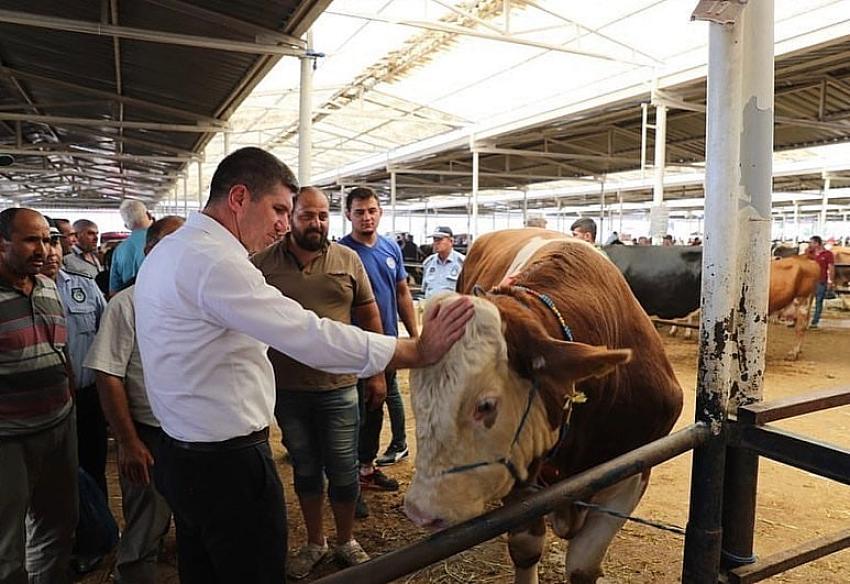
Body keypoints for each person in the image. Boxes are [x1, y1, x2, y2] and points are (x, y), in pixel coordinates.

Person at [133, 147, 472, 584]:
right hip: (227, 466)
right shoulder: (214, 261)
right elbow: (309, 335)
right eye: (277, 209)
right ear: (238, 198)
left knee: (203, 568)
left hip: (182, 452)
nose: (282, 224)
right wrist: (415, 351)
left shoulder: (173, 249)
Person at [253, 187, 381, 578]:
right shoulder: (261, 264)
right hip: (288, 389)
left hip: (340, 387)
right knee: (306, 469)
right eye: (308, 216)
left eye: (323, 216)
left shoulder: (347, 259)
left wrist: (376, 370)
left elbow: (369, 315)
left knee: (344, 469)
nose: (317, 223)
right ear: (290, 217)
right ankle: (315, 541)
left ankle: (345, 540)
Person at [84, 216, 183, 584]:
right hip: (149, 434)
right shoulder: (127, 304)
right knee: (145, 525)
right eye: (172, 246)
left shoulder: (201, 298)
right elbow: (107, 374)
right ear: (150, 252)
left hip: (193, 435)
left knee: (195, 522)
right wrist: (128, 442)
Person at [0, 208, 78, 584]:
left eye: (47, 240)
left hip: (60, 425)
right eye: (31, 240)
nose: (44, 250)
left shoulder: (47, 287)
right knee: (7, 540)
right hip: (9, 437)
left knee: (58, 523)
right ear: (2, 243)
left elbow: (60, 353)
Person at [339, 186, 420, 517]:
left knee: (375, 409)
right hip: (352, 348)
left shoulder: (390, 248)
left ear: (380, 212)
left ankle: (366, 469)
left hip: (385, 345)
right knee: (349, 415)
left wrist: (415, 335)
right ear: (348, 215)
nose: (366, 217)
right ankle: (347, 483)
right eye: (359, 212)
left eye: (371, 210)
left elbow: (402, 292)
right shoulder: (341, 252)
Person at [41, 221, 109, 497]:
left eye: (54, 241)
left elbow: (106, 339)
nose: (49, 252)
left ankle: (98, 537)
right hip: (38, 404)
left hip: (86, 398)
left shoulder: (84, 286)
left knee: (93, 468)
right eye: (38, 242)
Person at [110, 200, 153, 296]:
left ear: (126, 225)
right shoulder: (160, 241)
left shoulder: (119, 250)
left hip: (128, 303)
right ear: (149, 215)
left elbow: (113, 291)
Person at [421, 226, 465, 299]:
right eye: (435, 239)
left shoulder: (462, 262)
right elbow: (425, 288)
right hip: (431, 306)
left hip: (451, 307)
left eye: (440, 239)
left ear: (451, 241)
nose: (436, 243)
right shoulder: (428, 262)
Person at [807, 235, 835, 329]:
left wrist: (830, 281)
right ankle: (802, 319)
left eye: (811, 243)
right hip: (809, 281)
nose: (810, 245)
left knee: (818, 301)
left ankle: (815, 322)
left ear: (817, 243)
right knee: (806, 301)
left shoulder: (828, 254)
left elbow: (831, 268)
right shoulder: (809, 253)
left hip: (821, 281)